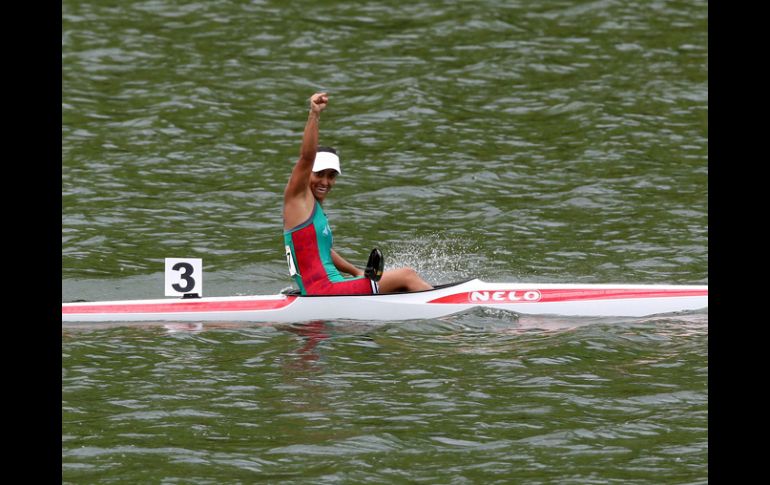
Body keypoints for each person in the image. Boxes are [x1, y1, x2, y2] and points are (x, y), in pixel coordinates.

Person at [282, 92, 433, 295]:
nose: (325, 182)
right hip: (323, 290)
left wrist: (355, 271)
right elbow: (307, 157)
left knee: (396, 284)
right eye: (320, 174)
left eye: (331, 176)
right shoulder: (297, 197)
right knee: (407, 275)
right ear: (307, 173)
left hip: (322, 289)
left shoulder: (311, 209)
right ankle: (448, 318)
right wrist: (314, 114)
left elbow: (321, 250)